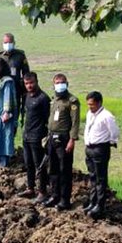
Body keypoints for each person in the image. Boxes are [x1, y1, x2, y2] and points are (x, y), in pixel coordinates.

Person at [42, 73, 80, 211]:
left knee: (65, 170)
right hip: (52, 137)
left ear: (67, 83)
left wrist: (72, 140)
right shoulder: (54, 100)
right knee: (53, 169)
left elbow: (75, 123)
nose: (60, 84)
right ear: (53, 84)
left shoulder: (72, 101)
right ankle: (55, 195)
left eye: (62, 82)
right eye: (57, 82)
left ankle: (65, 200)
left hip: (64, 139)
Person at [83, 91, 120, 219]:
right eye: (88, 105)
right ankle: (92, 202)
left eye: (92, 105)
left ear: (99, 103)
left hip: (100, 149)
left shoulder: (107, 116)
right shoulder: (90, 114)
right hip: (89, 148)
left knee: (100, 179)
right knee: (92, 177)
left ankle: (100, 205)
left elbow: (114, 132)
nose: (90, 107)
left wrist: (110, 142)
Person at [19, 72, 50, 200]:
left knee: (40, 165)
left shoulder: (43, 98)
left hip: (37, 137)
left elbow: (47, 118)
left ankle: (42, 191)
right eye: (26, 83)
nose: (29, 85)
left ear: (36, 82)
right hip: (26, 136)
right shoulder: (26, 97)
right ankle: (30, 188)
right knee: (28, 164)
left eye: (31, 83)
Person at [0, 32, 30, 129]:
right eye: (5, 42)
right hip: (1, 92)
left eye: (9, 42)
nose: (7, 45)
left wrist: (25, 91)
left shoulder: (20, 56)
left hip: (16, 91)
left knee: (13, 117)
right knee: (0, 117)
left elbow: (26, 73)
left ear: (14, 43)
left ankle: (11, 139)